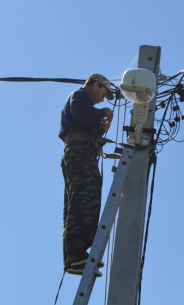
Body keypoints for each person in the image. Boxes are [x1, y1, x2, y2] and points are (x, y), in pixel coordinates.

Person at [59, 74, 114, 277]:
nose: (102, 98)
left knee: (82, 200)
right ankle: (75, 254)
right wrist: (103, 113)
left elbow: (87, 123)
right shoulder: (79, 96)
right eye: (103, 92)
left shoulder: (86, 105)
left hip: (82, 152)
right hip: (79, 152)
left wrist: (100, 129)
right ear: (95, 85)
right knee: (83, 199)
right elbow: (82, 115)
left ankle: (76, 255)